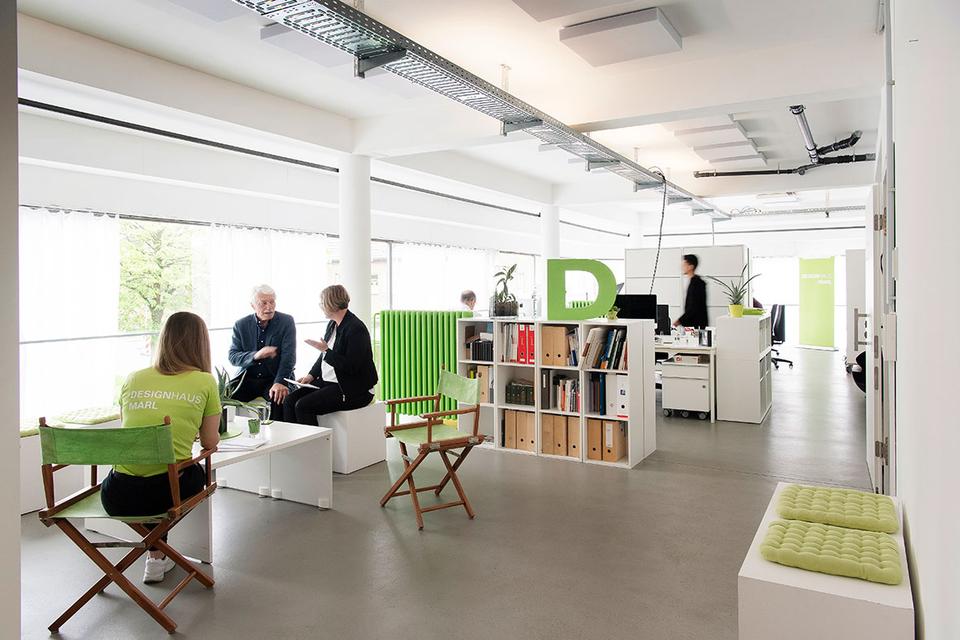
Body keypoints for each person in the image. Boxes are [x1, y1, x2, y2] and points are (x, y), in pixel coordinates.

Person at [101, 311, 221, 584]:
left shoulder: (133, 378)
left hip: (118, 495)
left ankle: (155, 557)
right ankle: (157, 555)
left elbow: (131, 429)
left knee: (157, 472)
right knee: (178, 476)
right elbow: (209, 443)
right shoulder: (205, 381)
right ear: (201, 343)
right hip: (166, 493)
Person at [285, 285, 379, 425]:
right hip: (330, 383)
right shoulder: (332, 324)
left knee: (303, 406)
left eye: (322, 303)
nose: (320, 306)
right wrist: (310, 376)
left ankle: (314, 440)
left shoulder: (356, 328)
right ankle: (295, 439)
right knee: (289, 401)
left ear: (331, 304)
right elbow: (323, 356)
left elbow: (351, 366)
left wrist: (326, 351)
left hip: (353, 388)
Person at [228, 284, 296, 418]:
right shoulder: (241, 325)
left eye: (272, 302)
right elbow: (233, 357)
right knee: (221, 397)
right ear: (253, 305)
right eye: (263, 303)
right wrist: (255, 355)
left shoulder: (286, 321)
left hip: (274, 378)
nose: (269, 307)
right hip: (247, 379)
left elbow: (289, 358)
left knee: (279, 398)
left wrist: (279, 382)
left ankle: (277, 432)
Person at [674, 254, 708, 329]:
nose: (681, 267)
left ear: (691, 267)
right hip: (695, 325)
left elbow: (693, 307)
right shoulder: (695, 282)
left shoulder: (696, 283)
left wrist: (679, 321)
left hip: (696, 325)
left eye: (684, 265)